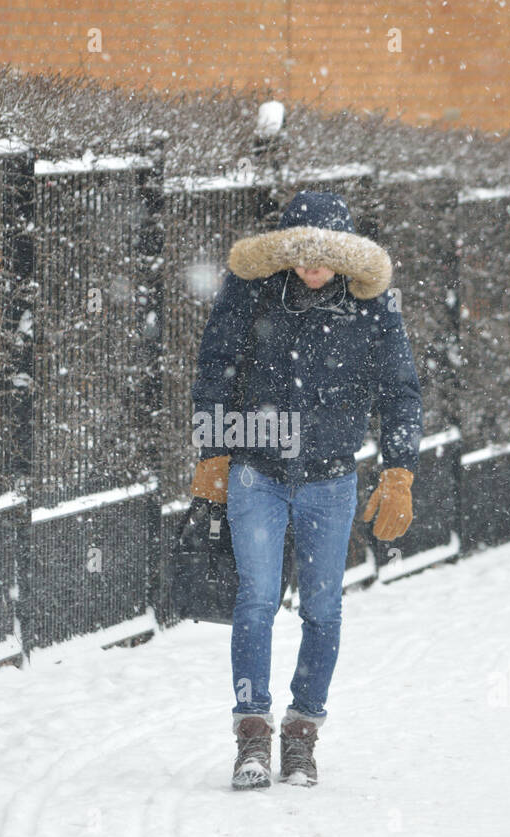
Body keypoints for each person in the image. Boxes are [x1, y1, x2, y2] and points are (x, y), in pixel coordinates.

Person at [189, 190, 423, 789]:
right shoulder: (254, 291)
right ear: (284, 253)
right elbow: (216, 364)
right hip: (255, 471)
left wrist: (399, 470)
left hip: (331, 478)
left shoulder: (372, 305)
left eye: (325, 257)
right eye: (300, 255)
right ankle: (252, 736)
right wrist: (213, 451)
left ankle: (301, 734)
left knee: (322, 609)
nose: (312, 267)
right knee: (257, 601)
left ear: (345, 257)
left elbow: (400, 389)